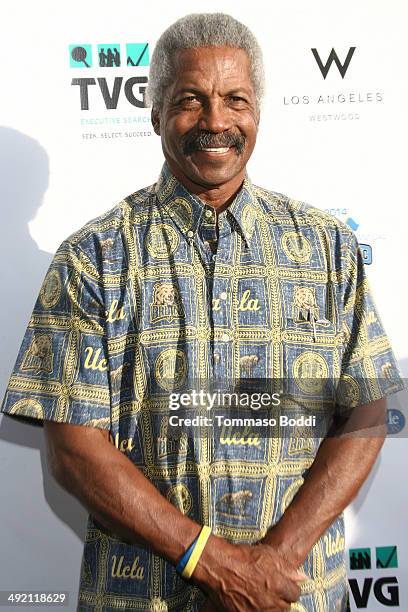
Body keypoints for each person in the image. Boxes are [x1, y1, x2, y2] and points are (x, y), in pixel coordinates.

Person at [1, 12, 403, 612]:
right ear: (155, 111)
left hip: (294, 596)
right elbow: (73, 449)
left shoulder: (326, 248)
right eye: (191, 100)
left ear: (257, 112)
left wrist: (274, 562)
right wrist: (213, 564)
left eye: (235, 99)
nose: (217, 121)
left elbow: (367, 408)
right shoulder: (92, 259)